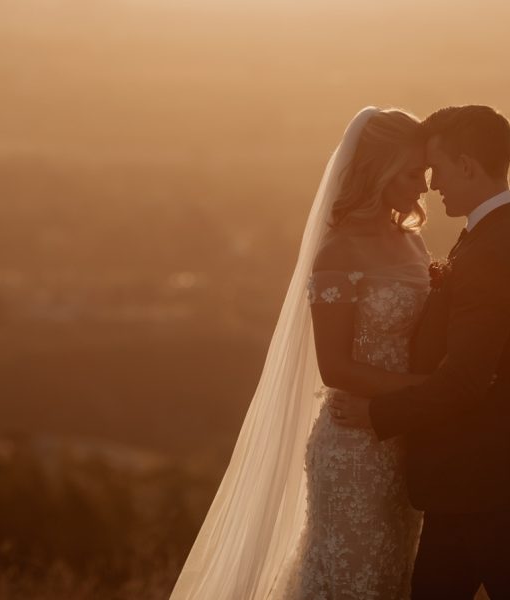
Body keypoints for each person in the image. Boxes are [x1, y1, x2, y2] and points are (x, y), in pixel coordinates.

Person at [170, 107, 433, 599]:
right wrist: (429, 390)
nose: (424, 185)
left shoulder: (414, 246)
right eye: (413, 173)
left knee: (390, 583)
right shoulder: (338, 254)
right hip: (354, 450)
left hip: (403, 442)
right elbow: (335, 367)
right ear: (379, 172)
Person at [331, 105, 510, 599]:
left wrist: (377, 412)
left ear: (467, 166)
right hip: (473, 479)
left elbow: (464, 380)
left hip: (488, 482)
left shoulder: (494, 250)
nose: (432, 185)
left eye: (436, 168)